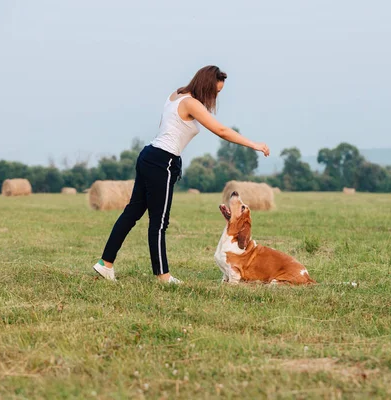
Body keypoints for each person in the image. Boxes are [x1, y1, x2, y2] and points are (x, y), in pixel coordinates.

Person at [92, 65, 270, 283]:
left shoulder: (176, 94)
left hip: (149, 154)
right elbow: (222, 131)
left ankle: (105, 264)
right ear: (206, 86)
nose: (215, 97)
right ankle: (163, 275)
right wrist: (254, 145)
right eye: (215, 91)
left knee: (132, 213)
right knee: (158, 222)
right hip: (162, 161)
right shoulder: (191, 104)